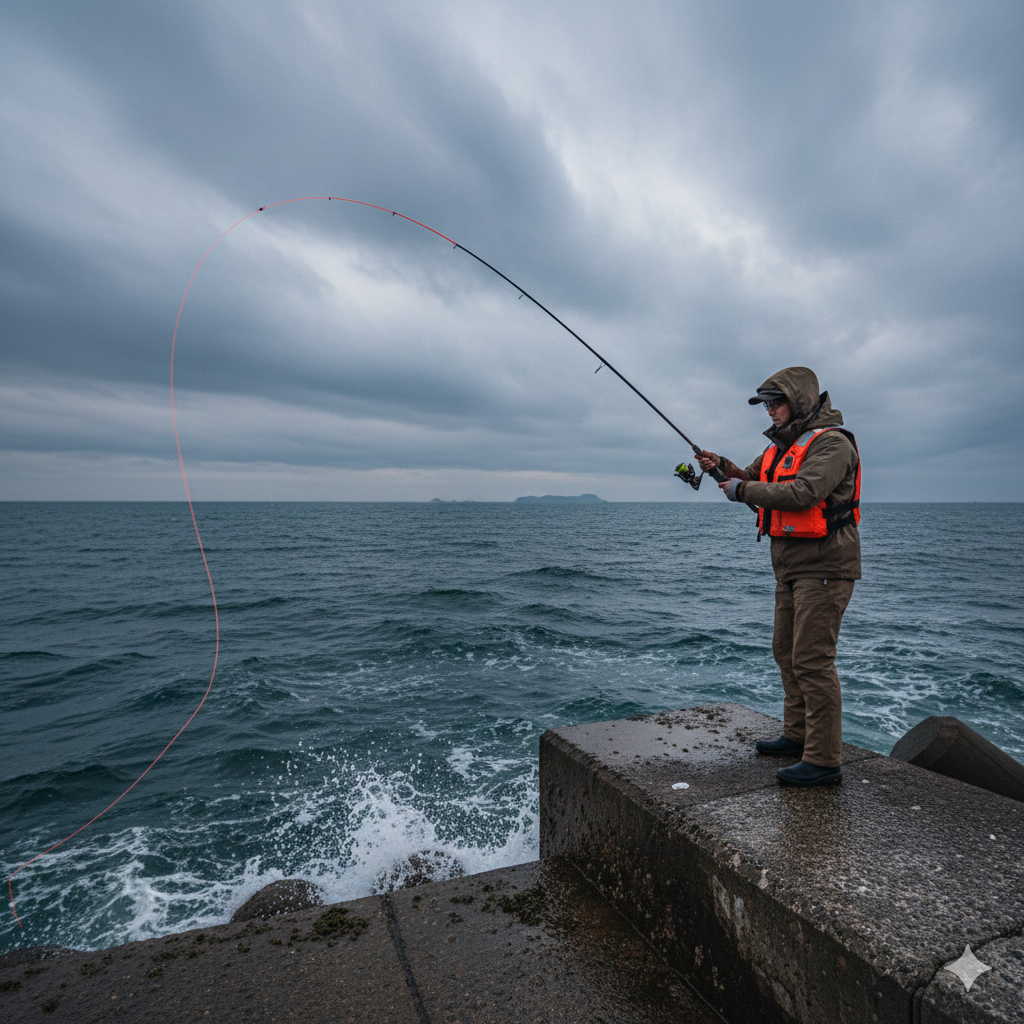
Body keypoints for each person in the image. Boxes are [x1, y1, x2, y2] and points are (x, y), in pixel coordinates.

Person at [697, 366, 861, 787]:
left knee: (812, 660)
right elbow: (748, 478)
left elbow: (802, 493)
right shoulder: (777, 450)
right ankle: (797, 735)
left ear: (800, 401)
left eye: (776, 402)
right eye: (766, 404)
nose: (769, 411)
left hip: (825, 568)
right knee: (785, 652)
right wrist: (722, 467)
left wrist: (740, 490)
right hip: (789, 569)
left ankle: (824, 761)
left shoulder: (833, 444)